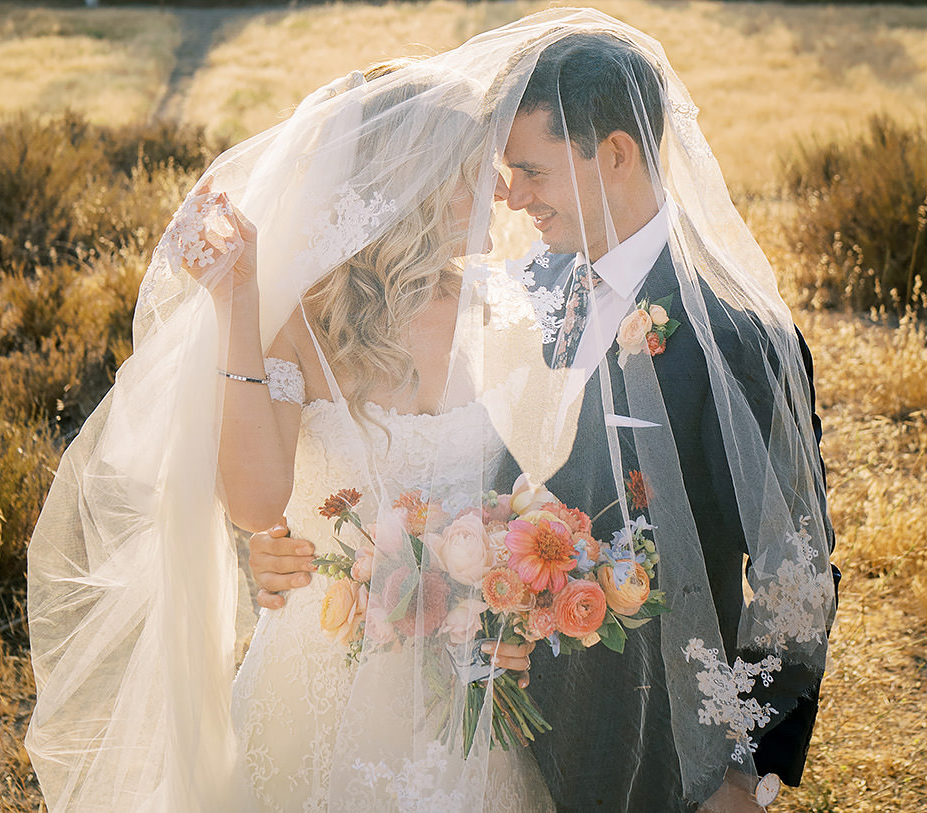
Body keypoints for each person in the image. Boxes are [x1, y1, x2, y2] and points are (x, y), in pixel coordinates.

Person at [249, 22, 838, 813]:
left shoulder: (741, 338)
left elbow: (794, 576)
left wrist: (746, 771)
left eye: (531, 170)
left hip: (659, 743)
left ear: (617, 154)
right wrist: (290, 548)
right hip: (503, 731)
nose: (512, 195)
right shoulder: (518, 290)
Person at [28, 55, 551, 811]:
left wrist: (520, 595)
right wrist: (236, 304)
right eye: (477, 167)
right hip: (325, 669)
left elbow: (544, 476)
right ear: (416, 178)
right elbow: (256, 498)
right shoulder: (302, 323)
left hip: (476, 677)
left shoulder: (505, 307)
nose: (502, 189)